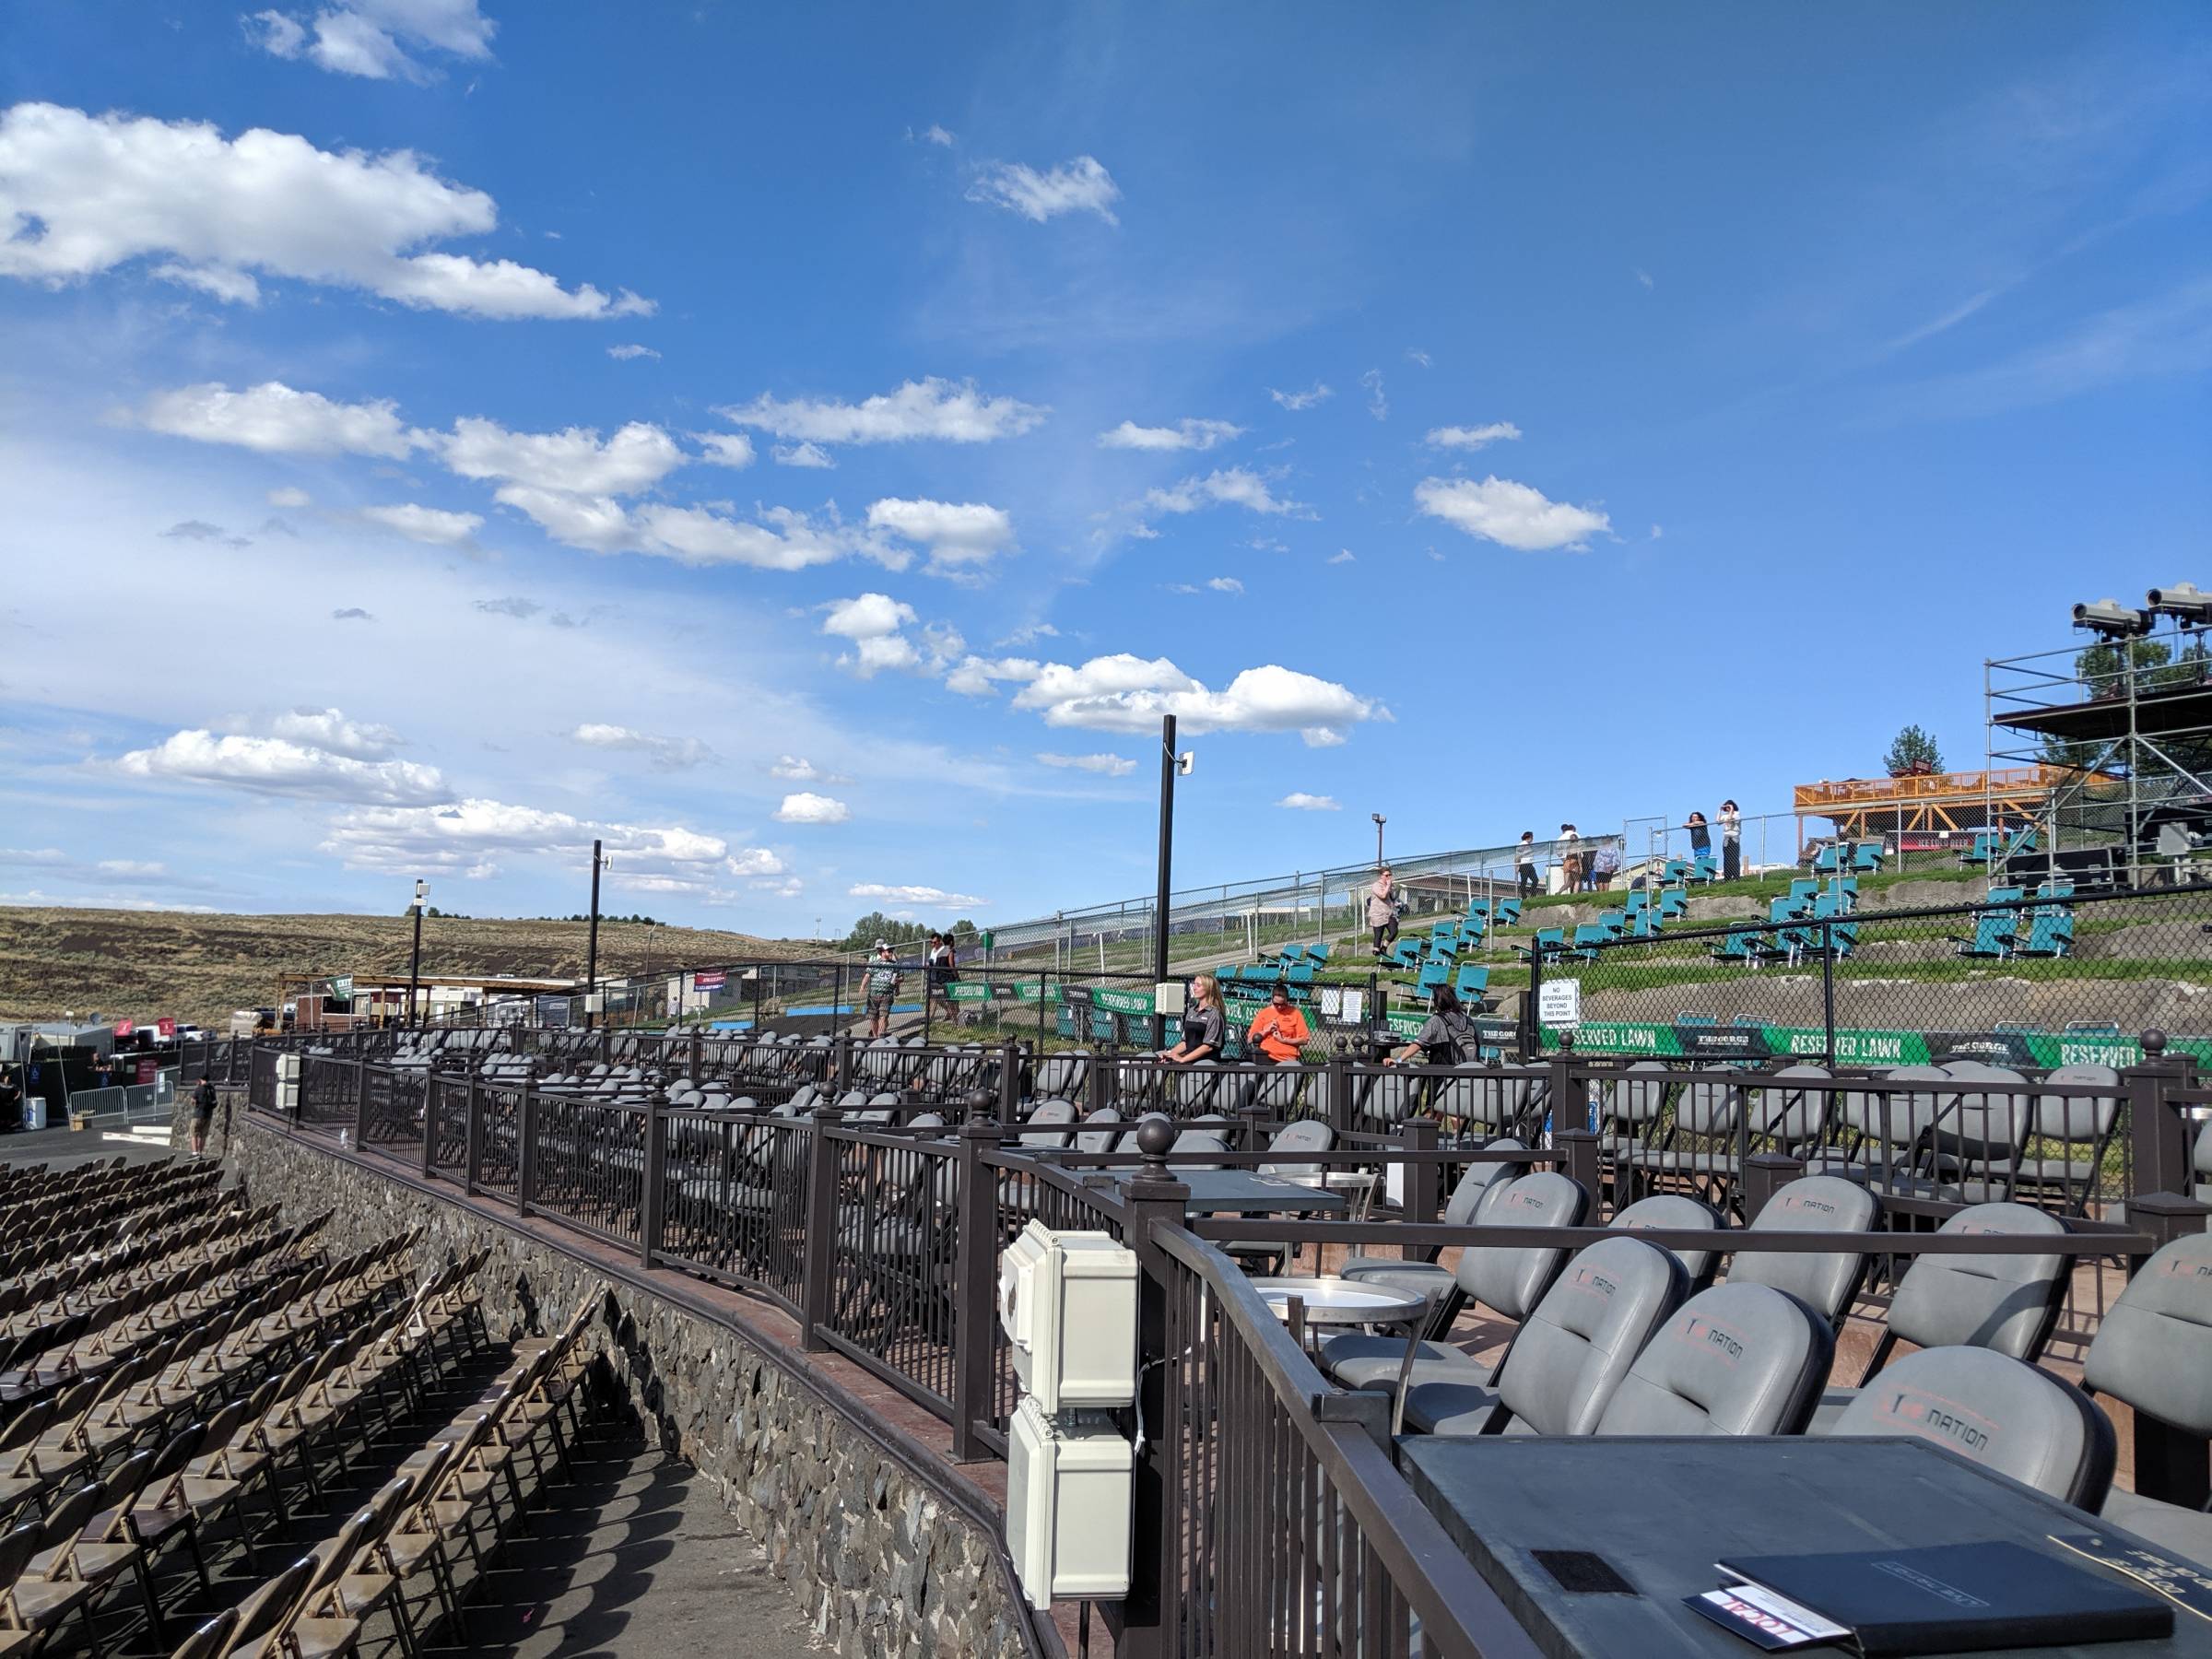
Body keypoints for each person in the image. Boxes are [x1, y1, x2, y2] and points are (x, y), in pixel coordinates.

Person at [1385, 983, 1477, 1065]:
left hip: (1445, 1077)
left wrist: (1398, 1060)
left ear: (1437, 1001)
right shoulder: (1468, 1020)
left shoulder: (1437, 1020)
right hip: (1469, 1075)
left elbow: (1418, 1043)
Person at [1159, 974, 1226, 1064]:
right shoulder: (1192, 1011)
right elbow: (1186, 1042)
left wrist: (1183, 1059)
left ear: (1208, 989)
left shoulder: (1214, 1014)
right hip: (1190, 1062)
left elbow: (1208, 1046)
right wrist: (1171, 1054)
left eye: (1198, 985)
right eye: (1194, 984)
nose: (1194, 988)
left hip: (1206, 1065)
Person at [1244, 982, 1311, 1065]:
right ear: (1272, 999)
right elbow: (1250, 1039)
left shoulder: (1295, 1013)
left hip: (1287, 1058)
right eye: (1276, 1004)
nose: (1279, 1007)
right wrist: (1266, 1031)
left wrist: (1284, 1040)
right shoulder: (1264, 1013)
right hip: (1266, 1056)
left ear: (1287, 1000)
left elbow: (1304, 1040)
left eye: (1282, 1004)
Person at [864, 940, 900, 1039]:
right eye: (889, 951)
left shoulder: (894, 963)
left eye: (891, 951)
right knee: (873, 1017)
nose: (891, 953)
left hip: (887, 995)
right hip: (874, 994)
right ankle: (875, 1036)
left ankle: (880, 1036)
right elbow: (868, 974)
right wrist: (862, 986)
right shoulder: (874, 960)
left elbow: (897, 977)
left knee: (883, 1016)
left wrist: (897, 986)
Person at [1366, 866, 1399, 957]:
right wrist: (1388, 886)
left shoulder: (1390, 886)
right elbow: (1383, 895)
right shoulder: (1376, 885)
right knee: (1378, 935)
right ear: (1381, 876)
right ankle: (1376, 951)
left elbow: (1393, 897)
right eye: (1386, 875)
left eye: (1390, 875)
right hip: (1378, 914)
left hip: (1388, 913)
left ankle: (1384, 947)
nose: (1388, 877)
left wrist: (1391, 887)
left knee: (1394, 931)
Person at [190, 1075, 218, 1156]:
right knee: (203, 1135)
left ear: (200, 1079)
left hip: (198, 1114)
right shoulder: (212, 1089)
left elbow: (193, 1101)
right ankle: (200, 1152)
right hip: (208, 1115)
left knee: (194, 1133)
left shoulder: (199, 1089)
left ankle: (195, 1153)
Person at [1719, 800, 1743, 881]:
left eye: (1729, 806)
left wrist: (1732, 809)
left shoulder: (1737, 814)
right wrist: (1720, 810)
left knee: (1734, 858)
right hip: (1726, 838)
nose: (1727, 808)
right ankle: (1727, 877)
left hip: (1734, 838)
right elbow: (1718, 822)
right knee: (1726, 859)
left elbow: (1730, 819)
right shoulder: (1724, 815)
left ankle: (1736, 877)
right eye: (1726, 807)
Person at [1557, 823, 1581, 893]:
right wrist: (1581, 865)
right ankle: (1574, 894)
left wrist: (1563, 859)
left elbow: (1558, 851)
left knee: (1567, 883)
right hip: (1574, 863)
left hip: (1566, 862)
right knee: (1577, 881)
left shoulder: (1561, 838)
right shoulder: (1577, 836)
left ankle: (1559, 892)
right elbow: (1579, 854)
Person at [1514, 831, 1539, 900]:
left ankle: (1533, 894)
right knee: (1524, 881)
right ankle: (1524, 896)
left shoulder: (1529, 845)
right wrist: (1517, 866)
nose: (1532, 839)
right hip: (1524, 865)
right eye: (1532, 837)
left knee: (1535, 880)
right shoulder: (1522, 844)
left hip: (1529, 864)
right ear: (1529, 837)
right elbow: (1517, 856)